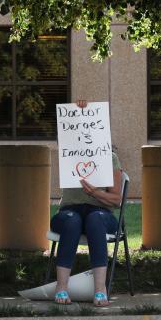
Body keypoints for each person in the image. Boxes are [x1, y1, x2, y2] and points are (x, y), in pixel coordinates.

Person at [51, 103, 123, 307]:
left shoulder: (110, 158)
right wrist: (80, 110)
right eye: (80, 130)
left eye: (89, 130)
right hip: (69, 212)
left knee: (94, 219)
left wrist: (95, 193)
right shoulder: (69, 154)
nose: (85, 133)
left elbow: (116, 200)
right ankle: (61, 287)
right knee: (72, 221)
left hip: (100, 214)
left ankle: (100, 290)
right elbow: (65, 130)